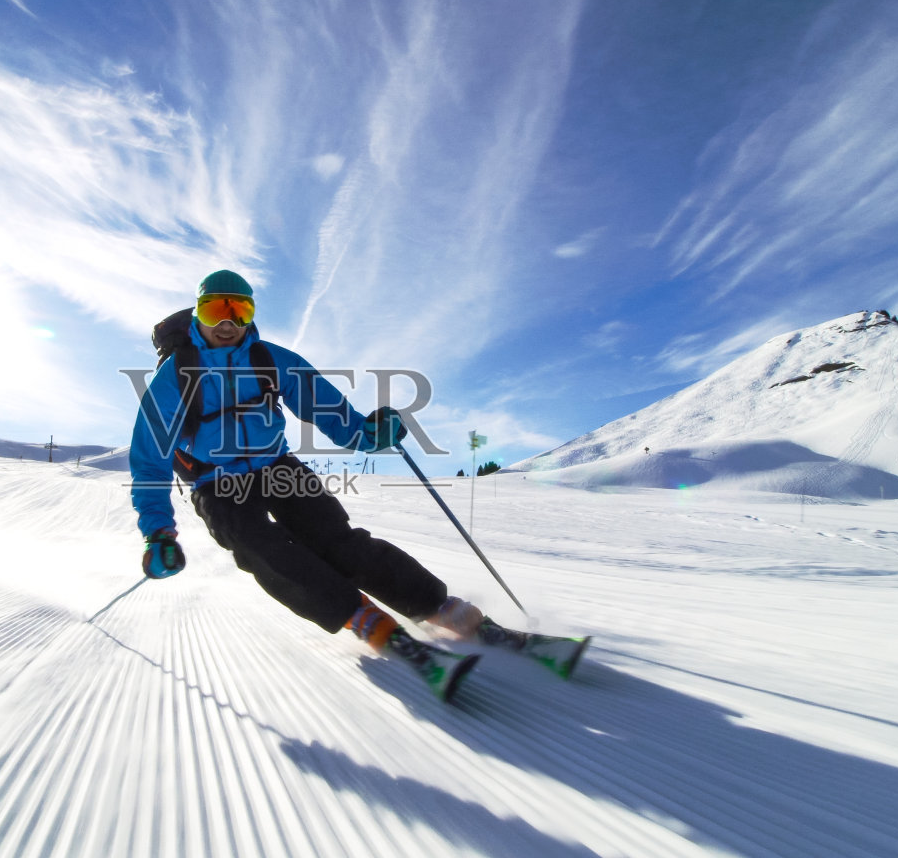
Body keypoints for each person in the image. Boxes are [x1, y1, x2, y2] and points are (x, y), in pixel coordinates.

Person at [129, 270, 586, 699]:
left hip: (275, 464)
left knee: (339, 542)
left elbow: (327, 409)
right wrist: (159, 532)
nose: (227, 323)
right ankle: (366, 621)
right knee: (263, 548)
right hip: (215, 479)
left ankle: (448, 612)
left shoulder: (269, 359)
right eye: (215, 311)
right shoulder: (174, 377)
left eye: (240, 311)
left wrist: (367, 434)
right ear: (197, 315)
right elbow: (149, 459)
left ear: (251, 316)